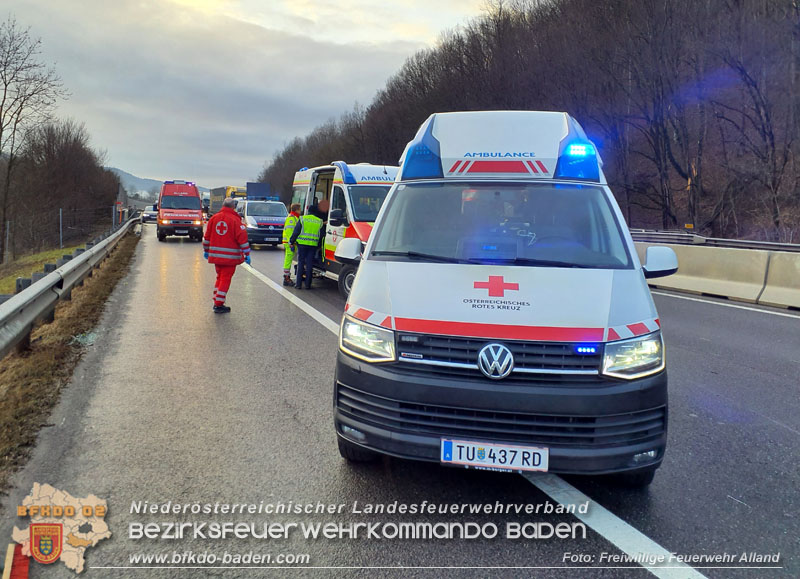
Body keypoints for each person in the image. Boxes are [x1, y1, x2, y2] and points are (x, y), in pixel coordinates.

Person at [202, 197, 250, 313]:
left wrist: (206, 250)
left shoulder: (214, 218)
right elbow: (242, 239)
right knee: (225, 279)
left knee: (220, 277)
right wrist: (247, 253)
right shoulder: (235, 220)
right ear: (233, 207)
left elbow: (207, 237)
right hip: (230, 258)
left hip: (216, 257)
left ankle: (216, 299)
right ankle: (219, 304)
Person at [289, 199, 327, 290]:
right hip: (313, 246)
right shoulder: (319, 221)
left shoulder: (302, 219)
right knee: (309, 264)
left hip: (301, 245)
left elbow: (296, 232)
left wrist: (291, 241)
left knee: (301, 263)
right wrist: (318, 246)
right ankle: (308, 285)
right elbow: (322, 235)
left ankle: (298, 284)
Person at [282, 203, 301, 286]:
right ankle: (286, 277)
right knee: (288, 259)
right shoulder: (291, 218)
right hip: (289, 243)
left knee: (289, 259)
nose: (301, 211)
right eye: (299, 209)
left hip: (292, 242)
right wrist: (291, 243)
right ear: (296, 210)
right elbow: (289, 231)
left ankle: (287, 276)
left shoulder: (295, 218)